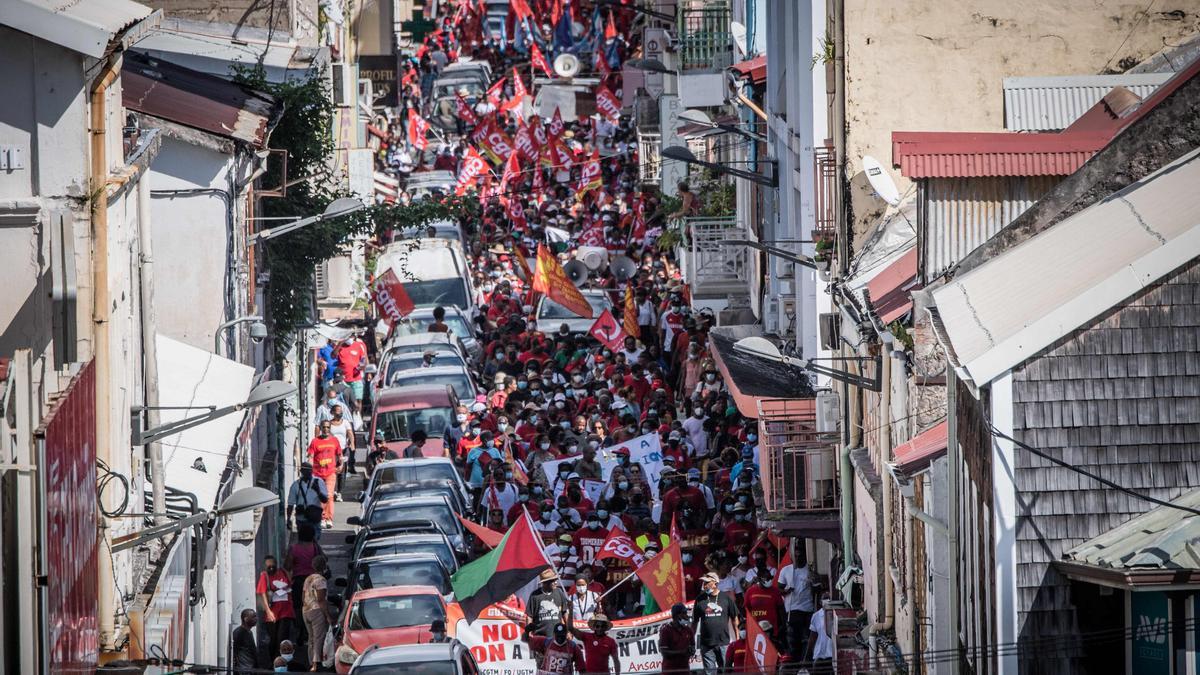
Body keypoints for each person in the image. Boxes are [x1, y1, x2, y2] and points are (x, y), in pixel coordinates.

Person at [691, 573, 738, 674]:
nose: (704, 585)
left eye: (707, 582)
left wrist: (737, 639)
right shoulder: (700, 599)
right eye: (703, 582)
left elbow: (734, 618)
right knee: (710, 673)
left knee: (726, 671)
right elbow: (694, 622)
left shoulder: (726, 598)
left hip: (724, 643)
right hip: (706, 644)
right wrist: (691, 640)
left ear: (715, 583)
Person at [778, 547, 816, 660]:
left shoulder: (809, 571)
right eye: (796, 556)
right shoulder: (786, 570)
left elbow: (815, 589)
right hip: (792, 610)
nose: (798, 558)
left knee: (806, 638)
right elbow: (779, 588)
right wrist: (785, 591)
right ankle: (795, 660)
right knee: (793, 640)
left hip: (807, 609)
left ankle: (805, 661)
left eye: (800, 556)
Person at [256, 555, 294, 661]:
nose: (271, 568)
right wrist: (268, 611)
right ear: (265, 567)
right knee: (274, 639)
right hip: (273, 612)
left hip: (286, 611)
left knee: (283, 637)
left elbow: (290, 585)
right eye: (269, 567)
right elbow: (262, 593)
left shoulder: (282, 572)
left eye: (273, 566)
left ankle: (282, 660)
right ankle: (274, 660)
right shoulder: (264, 576)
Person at [306, 422, 342, 527]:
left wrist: (341, 465)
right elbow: (311, 457)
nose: (326, 429)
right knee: (321, 495)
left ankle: (329, 518)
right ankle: (322, 517)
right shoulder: (315, 441)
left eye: (328, 427)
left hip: (331, 472)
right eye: (324, 427)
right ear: (321, 428)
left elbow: (340, 454)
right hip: (317, 474)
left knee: (329, 495)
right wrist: (309, 469)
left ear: (330, 428)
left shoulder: (334, 440)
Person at [302, 555, 331, 671]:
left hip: (306, 610)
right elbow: (321, 600)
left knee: (311, 638)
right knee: (319, 637)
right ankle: (316, 663)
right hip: (316, 610)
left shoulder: (308, 578)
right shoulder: (321, 580)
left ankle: (311, 662)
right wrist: (328, 616)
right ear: (324, 566)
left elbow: (303, 596)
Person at [287, 462, 328, 537]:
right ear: (301, 471)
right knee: (303, 542)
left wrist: (318, 491)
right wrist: (288, 519)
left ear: (312, 471)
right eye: (305, 470)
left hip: (314, 518)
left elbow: (325, 500)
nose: (308, 473)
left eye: (309, 470)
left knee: (315, 540)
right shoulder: (296, 485)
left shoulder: (318, 482)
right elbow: (290, 504)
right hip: (301, 519)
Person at [527, 568, 570, 636]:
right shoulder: (534, 595)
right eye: (552, 581)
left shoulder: (559, 592)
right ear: (545, 583)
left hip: (557, 635)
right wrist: (529, 631)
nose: (556, 582)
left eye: (555, 580)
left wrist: (568, 631)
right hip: (539, 636)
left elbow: (565, 613)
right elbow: (529, 616)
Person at [658, 603, 695, 674]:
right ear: (677, 616)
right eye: (684, 613)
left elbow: (692, 647)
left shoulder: (688, 630)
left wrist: (691, 651)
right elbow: (664, 653)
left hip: (684, 670)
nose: (687, 616)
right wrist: (681, 652)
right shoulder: (666, 631)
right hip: (670, 670)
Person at [805, 593, 833, 675]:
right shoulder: (816, 616)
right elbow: (812, 637)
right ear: (821, 602)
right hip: (819, 655)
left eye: (828, 598)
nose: (827, 600)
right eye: (825, 598)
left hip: (832, 655)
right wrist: (807, 657)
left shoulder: (835, 614)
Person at [231, 608, 261, 674]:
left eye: (256, 616)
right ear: (246, 619)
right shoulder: (239, 633)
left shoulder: (249, 632)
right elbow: (235, 653)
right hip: (244, 670)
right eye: (253, 617)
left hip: (251, 669)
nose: (256, 619)